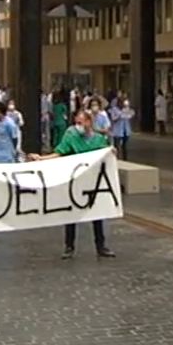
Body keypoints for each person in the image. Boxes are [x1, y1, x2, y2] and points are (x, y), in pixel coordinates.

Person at [28, 110, 116, 259]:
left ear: (89, 122)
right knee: (71, 214)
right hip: (76, 182)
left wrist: (112, 152)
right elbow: (59, 152)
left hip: (93, 182)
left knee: (97, 214)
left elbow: (107, 154)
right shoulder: (71, 137)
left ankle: (101, 246)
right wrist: (41, 158)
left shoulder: (99, 139)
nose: (78, 126)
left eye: (81, 123)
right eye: (76, 123)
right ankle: (69, 246)